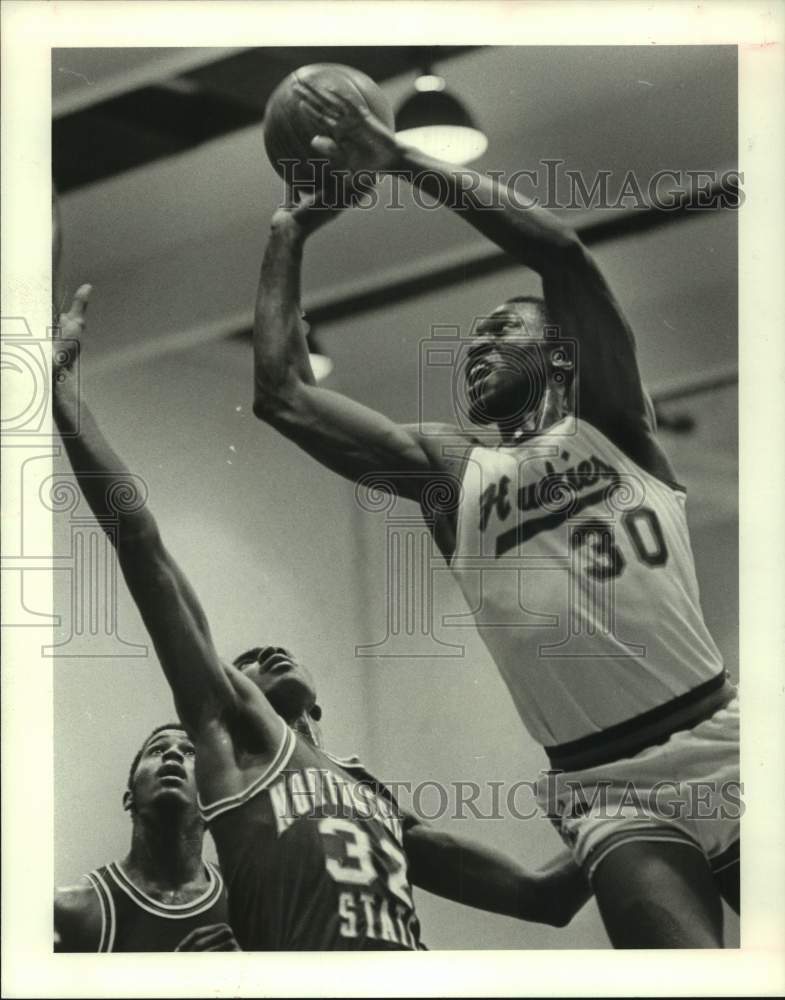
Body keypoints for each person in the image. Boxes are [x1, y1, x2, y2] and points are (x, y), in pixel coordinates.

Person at [249, 79, 740, 948]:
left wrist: (399, 158)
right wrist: (288, 231)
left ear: (561, 354)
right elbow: (283, 396)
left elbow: (562, 255)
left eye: (499, 330)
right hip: (606, 789)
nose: (475, 346)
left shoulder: (610, 424)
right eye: (471, 341)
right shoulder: (452, 472)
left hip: (725, 739)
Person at [51, 286, 590, 951]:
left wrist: (625, 802)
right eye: (247, 662)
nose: (266, 654)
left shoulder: (373, 803)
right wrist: (63, 392)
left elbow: (543, 899)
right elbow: (143, 547)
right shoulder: (232, 735)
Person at [54, 723, 237, 952]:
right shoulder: (69, 909)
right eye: (157, 750)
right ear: (129, 798)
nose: (173, 754)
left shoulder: (246, 901)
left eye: (190, 752)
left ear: (211, 800)